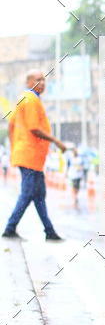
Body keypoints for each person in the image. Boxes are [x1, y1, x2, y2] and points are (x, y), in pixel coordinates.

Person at [2, 69, 66, 240]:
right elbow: (33, 128)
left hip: (30, 156)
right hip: (29, 156)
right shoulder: (30, 100)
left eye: (44, 80)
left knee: (39, 194)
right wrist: (56, 141)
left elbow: (11, 126)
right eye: (38, 80)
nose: (42, 83)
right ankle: (10, 227)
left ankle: (49, 231)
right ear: (29, 82)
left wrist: (15, 146)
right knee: (28, 193)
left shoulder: (25, 99)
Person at [67, 145, 84, 209]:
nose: (75, 152)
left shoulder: (80, 158)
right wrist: (67, 173)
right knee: (74, 186)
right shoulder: (70, 158)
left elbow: (82, 165)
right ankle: (74, 197)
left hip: (79, 175)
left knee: (77, 187)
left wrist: (80, 168)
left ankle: (76, 195)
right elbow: (68, 165)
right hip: (73, 175)